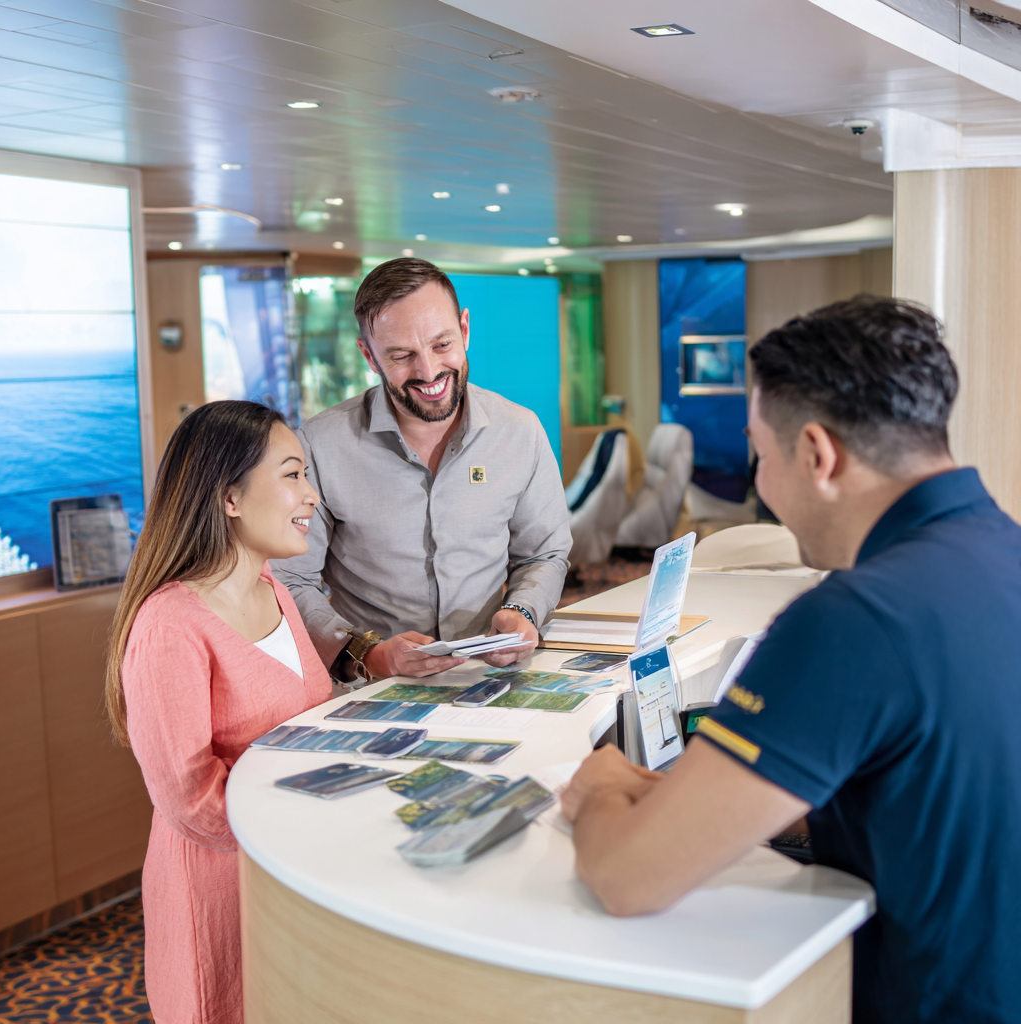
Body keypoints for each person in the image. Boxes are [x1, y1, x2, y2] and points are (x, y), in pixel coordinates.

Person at [561, 297, 1021, 1024]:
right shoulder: (1003, 552)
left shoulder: (851, 619)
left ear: (817, 453)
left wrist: (604, 793)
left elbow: (627, 876)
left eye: (760, 457)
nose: (760, 486)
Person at [105, 401, 332, 1024]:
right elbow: (193, 799)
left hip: (290, 872)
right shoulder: (169, 628)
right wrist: (309, 818)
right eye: (292, 475)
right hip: (218, 893)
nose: (310, 495)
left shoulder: (277, 593)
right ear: (230, 497)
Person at [272, 258, 571, 683]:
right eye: (402, 355)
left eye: (442, 345)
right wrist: (366, 653)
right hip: (372, 688)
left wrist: (523, 609)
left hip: (489, 678)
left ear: (465, 330)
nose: (428, 371)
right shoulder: (319, 445)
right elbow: (288, 579)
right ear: (369, 356)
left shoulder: (520, 431)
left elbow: (543, 553)